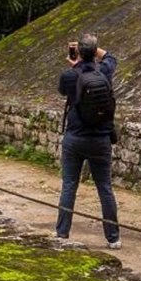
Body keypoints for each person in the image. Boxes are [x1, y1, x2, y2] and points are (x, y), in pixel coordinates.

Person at [55, 33, 121, 249]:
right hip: (101, 138)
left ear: (78, 53)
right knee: (104, 187)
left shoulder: (69, 76)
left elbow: (63, 91)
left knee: (69, 185)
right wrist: (95, 50)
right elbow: (111, 57)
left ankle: (62, 232)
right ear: (95, 53)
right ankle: (113, 237)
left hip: (75, 136)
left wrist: (76, 64)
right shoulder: (104, 71)